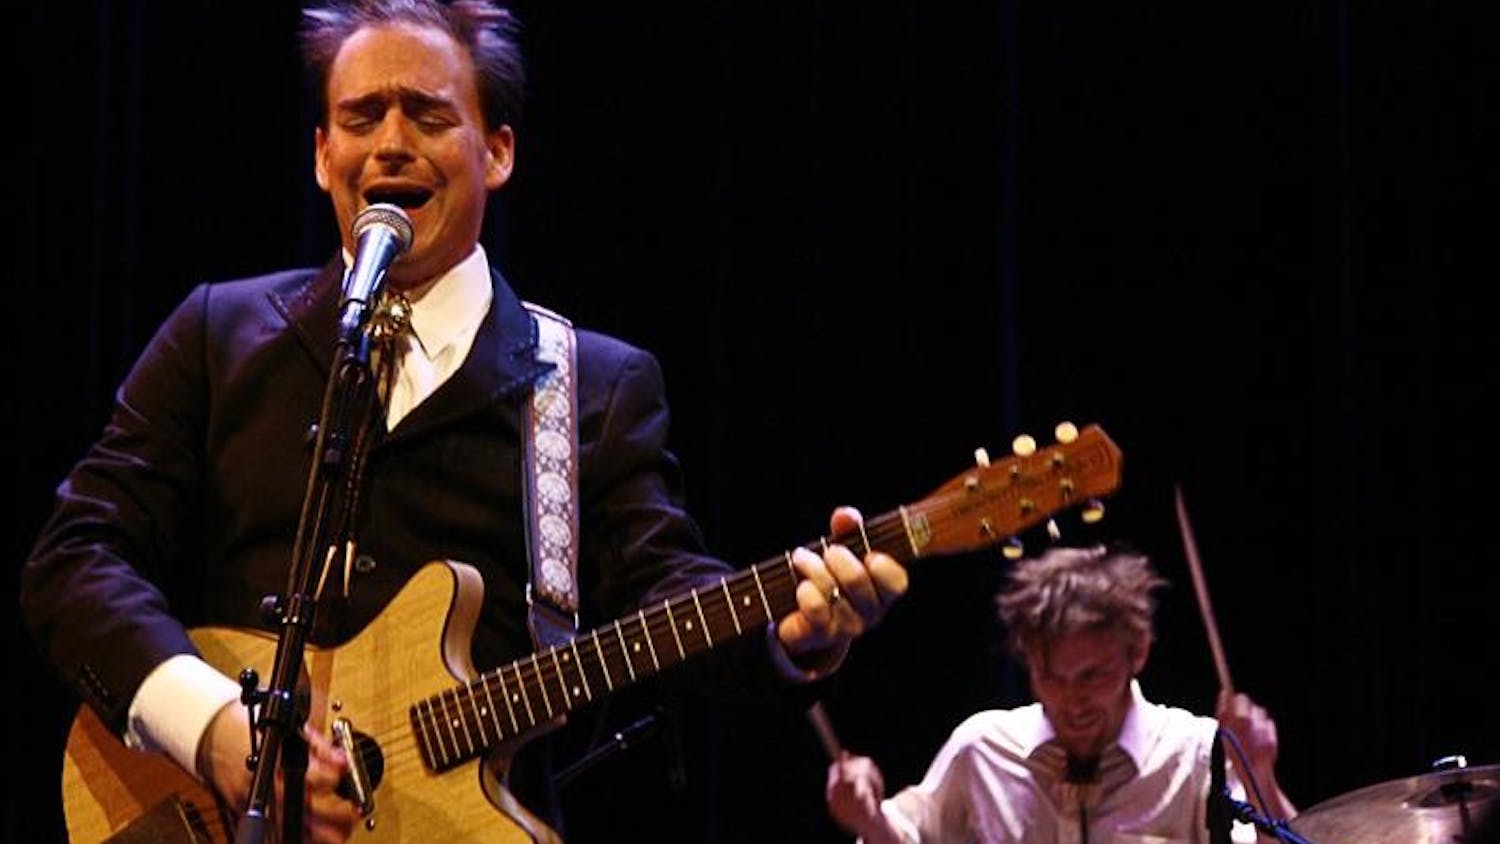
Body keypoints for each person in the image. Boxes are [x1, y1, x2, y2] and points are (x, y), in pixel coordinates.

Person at [18, 1, 908, 842]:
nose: (391, 145)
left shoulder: (590, 384)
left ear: (498, 152)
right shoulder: (221, 334)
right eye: (362, 118)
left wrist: (787, 636)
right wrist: (213, 730)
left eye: (429, 116)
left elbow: (661, 593)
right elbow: (75, 559)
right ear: (322, 155)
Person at [825, 543, 1296, 843]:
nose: (1072, 699)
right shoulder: (983, 747)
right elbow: (908, 836)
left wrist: (1261, 776)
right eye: (1051, 675)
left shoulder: (1193, 752)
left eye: (1092, 675)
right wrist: (867, 818)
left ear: (1139, 653)